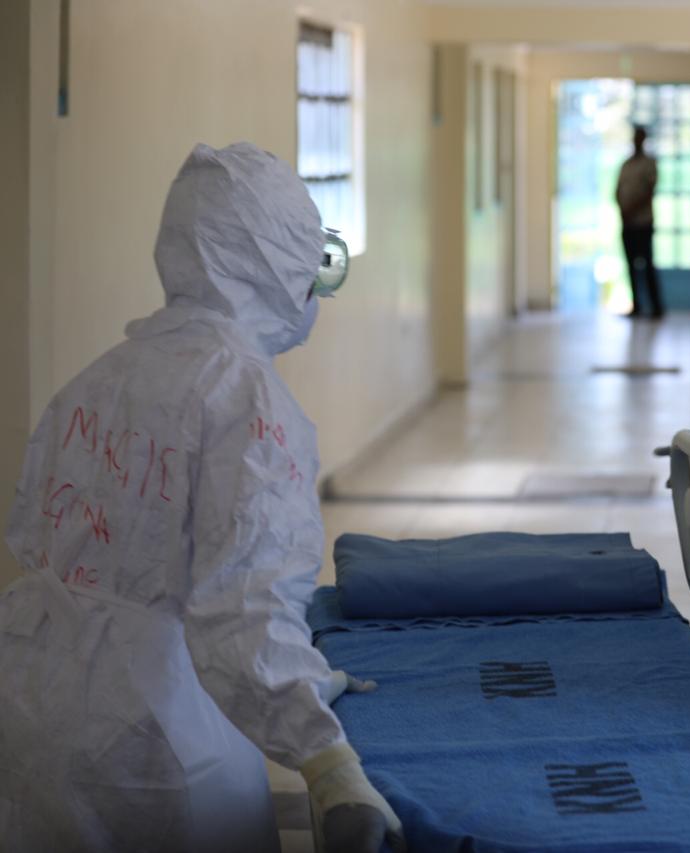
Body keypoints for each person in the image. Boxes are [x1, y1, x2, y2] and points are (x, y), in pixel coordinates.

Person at [0, 143, 403, 853]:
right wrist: (329, 763)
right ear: (272, 262)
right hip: (160, 735)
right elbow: (242, 611)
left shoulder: (98, 377)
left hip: (33, 695)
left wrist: (299, 682)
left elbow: (32, 535)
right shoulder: (247, 399)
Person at [615, 125, 665, 319]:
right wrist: (622, 210)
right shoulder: (626, 165)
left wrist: (631, 210)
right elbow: (617, 190)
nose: (636, 141)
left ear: (644, 140)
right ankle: (636, 306)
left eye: (639, 137)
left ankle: (656, 307)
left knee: (647, 265)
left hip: (643, 223)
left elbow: (649, 191)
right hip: (627, 224)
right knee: (630, 266)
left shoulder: (649, 164)